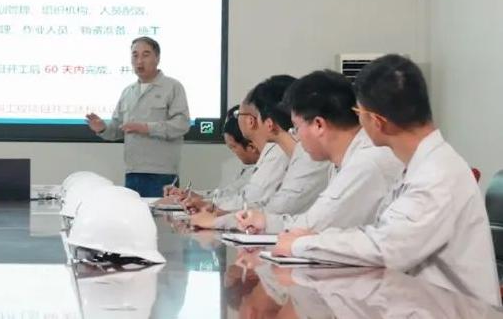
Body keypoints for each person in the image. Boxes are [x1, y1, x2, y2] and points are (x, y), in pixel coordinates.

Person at [274, 55, 501, 306]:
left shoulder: (437, 174)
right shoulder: (422, 164)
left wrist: (304, 244)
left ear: (377, 122)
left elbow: (386, 249)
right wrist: (316, 239)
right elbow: (381, 233)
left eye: (358, 113)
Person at [233, 70, 403, 234]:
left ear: (319, 125)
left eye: (296, 128)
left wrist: (266, 222)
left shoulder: (365, 162)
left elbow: (316, 225)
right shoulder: (343, 160)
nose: (296, 137)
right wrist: (265, 221)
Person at [192, 74, 330, 229]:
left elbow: (276, 210)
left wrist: (218, 220)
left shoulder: (311, 159)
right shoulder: (296, 154)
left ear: (269, 123)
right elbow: (269, 204)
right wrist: (222, 213)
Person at [85, 37, 190, 197]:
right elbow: (118, 129)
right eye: (135, 55)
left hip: (162, 174)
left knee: (160, 214)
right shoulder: (128, 92)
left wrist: (146, 128)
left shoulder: (173, 87)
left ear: (157, 58)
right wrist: (103, 128)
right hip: (132, 172)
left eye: (145, 55)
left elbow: (181, 125)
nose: (139, 61)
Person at [175, 106, 262, 210]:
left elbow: (244, 201)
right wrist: (197, 196)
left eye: (233, 147)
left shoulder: (267, 165)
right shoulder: (250, 166)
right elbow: (229, 193)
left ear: (251, 146)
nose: (233, 152)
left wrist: (206, 203)